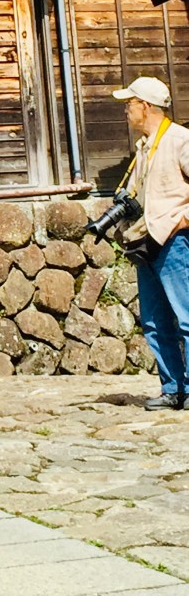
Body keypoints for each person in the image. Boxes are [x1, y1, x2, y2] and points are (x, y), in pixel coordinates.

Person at [112, 76, 189, 411]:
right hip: (145, 240)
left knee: (186, 317)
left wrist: (183, 220)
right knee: (154, 322)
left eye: (129, 104)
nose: (126, 110)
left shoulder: (180, 140)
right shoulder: (143, 147)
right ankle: (173, 388)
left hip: (174, 240)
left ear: (145, 106)